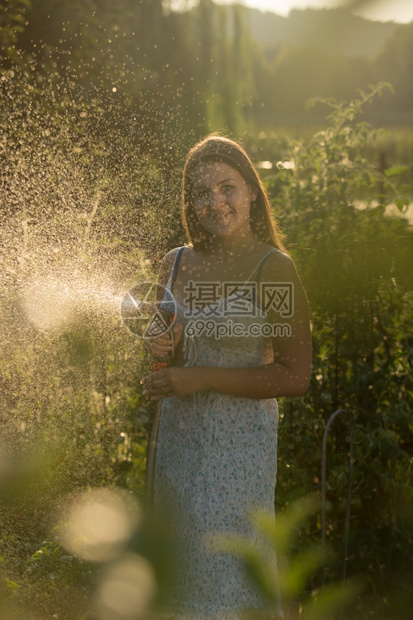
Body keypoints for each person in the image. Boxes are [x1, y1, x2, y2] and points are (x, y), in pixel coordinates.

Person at [140, 134, 312, 619]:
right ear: (189, 202)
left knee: (226, 585)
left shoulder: (274, 270)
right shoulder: (175, 263)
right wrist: (161, 352)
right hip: (176, 447)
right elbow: (166, 347)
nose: (215, 202)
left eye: (227, 187)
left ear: (252, 191)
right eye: (201, 193)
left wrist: (200, 378)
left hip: (236, 459)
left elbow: (295, 376)